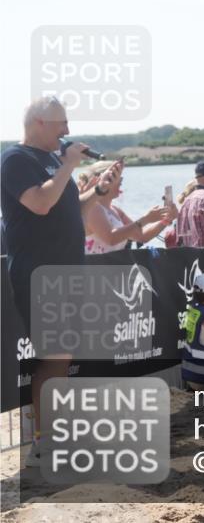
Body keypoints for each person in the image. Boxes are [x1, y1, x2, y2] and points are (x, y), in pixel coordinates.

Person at [0, 97, 117, 466]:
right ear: (38, 122)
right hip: (39, 273)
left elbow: (67, 209)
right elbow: (39, 203)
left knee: (62, 357)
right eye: (60, 124)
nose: (67, 131)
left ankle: (55, 437)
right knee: (53, 357)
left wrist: (95, 193)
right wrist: (68, 165)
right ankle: (46, 444)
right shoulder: (15, 160)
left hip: (65, 272)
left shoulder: (53, 161)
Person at [79, 160, 176, 254]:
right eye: (117, 178)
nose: (121, 182)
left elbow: (142, 236)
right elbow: (111, 238)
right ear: (104, 180)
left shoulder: (115, 210)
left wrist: (165, 220)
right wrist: (146, 219)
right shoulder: (93, 207)